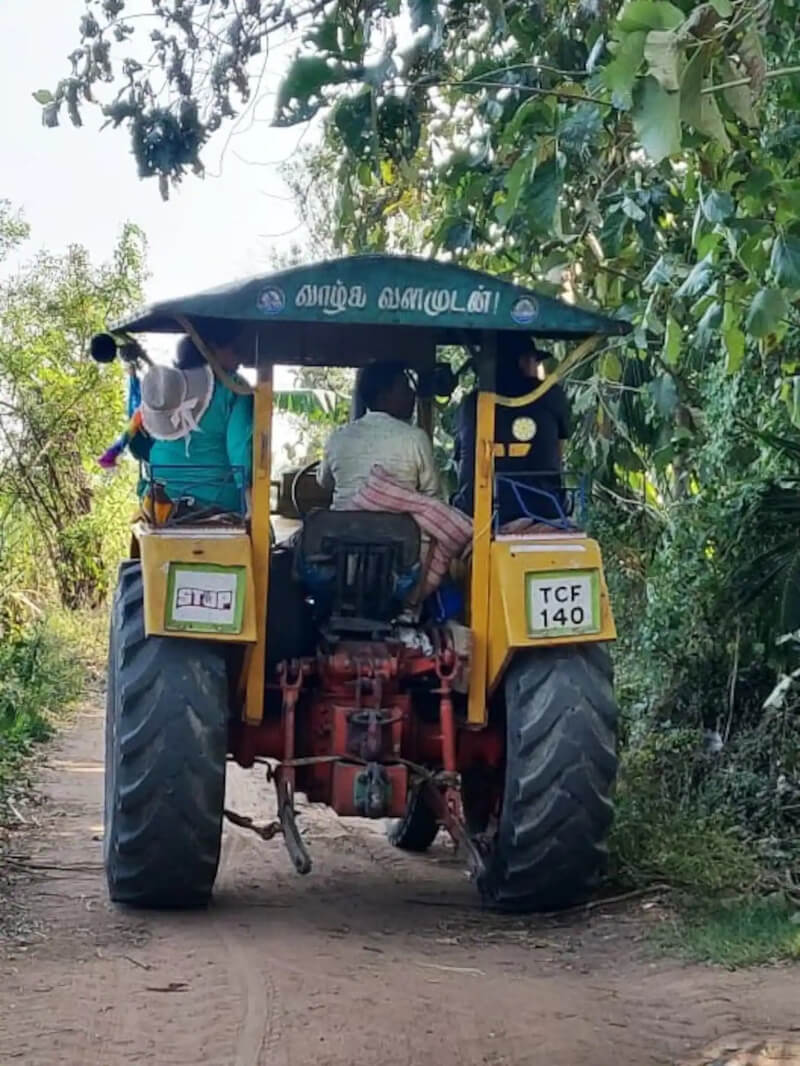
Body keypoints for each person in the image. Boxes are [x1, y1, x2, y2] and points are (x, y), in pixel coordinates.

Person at [453, 335, 571, 525]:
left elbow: (462, 458)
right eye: (535, 361)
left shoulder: (472, 403)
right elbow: (558, 452)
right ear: (523, 361)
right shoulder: (551, 395)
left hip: (477, 508)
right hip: (544, 507)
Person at [140, 323, 253, 517]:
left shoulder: (166, 387)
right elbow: (241, 452)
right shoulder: (235, 388)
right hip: (216, 503)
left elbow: (142, 444)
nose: (241, 358)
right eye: (236, 350)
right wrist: (252, 506)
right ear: (212, 348)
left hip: (158, 502)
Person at [317, 360, 440, 509]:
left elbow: (325, 482)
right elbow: (432, 492)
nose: (412, 393)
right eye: (404, 388)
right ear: (384, 396)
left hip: (341, 529)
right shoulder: (416, 438)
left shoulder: (337, 438)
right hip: (399, 530)